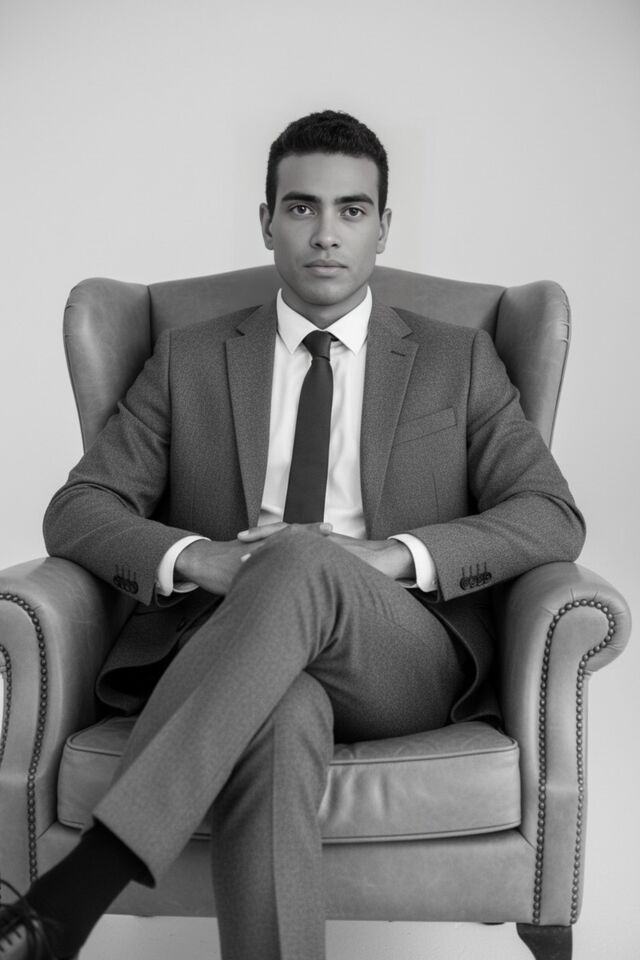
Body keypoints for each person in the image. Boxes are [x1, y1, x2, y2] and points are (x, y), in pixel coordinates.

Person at [0, 110, 585, 960]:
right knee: (279, 717)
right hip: (228, 651)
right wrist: (199, 559)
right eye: (302, 207)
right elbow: (80, 507)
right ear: (266, 220)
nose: (325, 234)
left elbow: (550, 512)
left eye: (352, 210)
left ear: (384, 227)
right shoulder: (191, 357)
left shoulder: (456, 358)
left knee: (302, 552)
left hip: (400, 655)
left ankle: (79, 889)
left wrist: (393, 556)